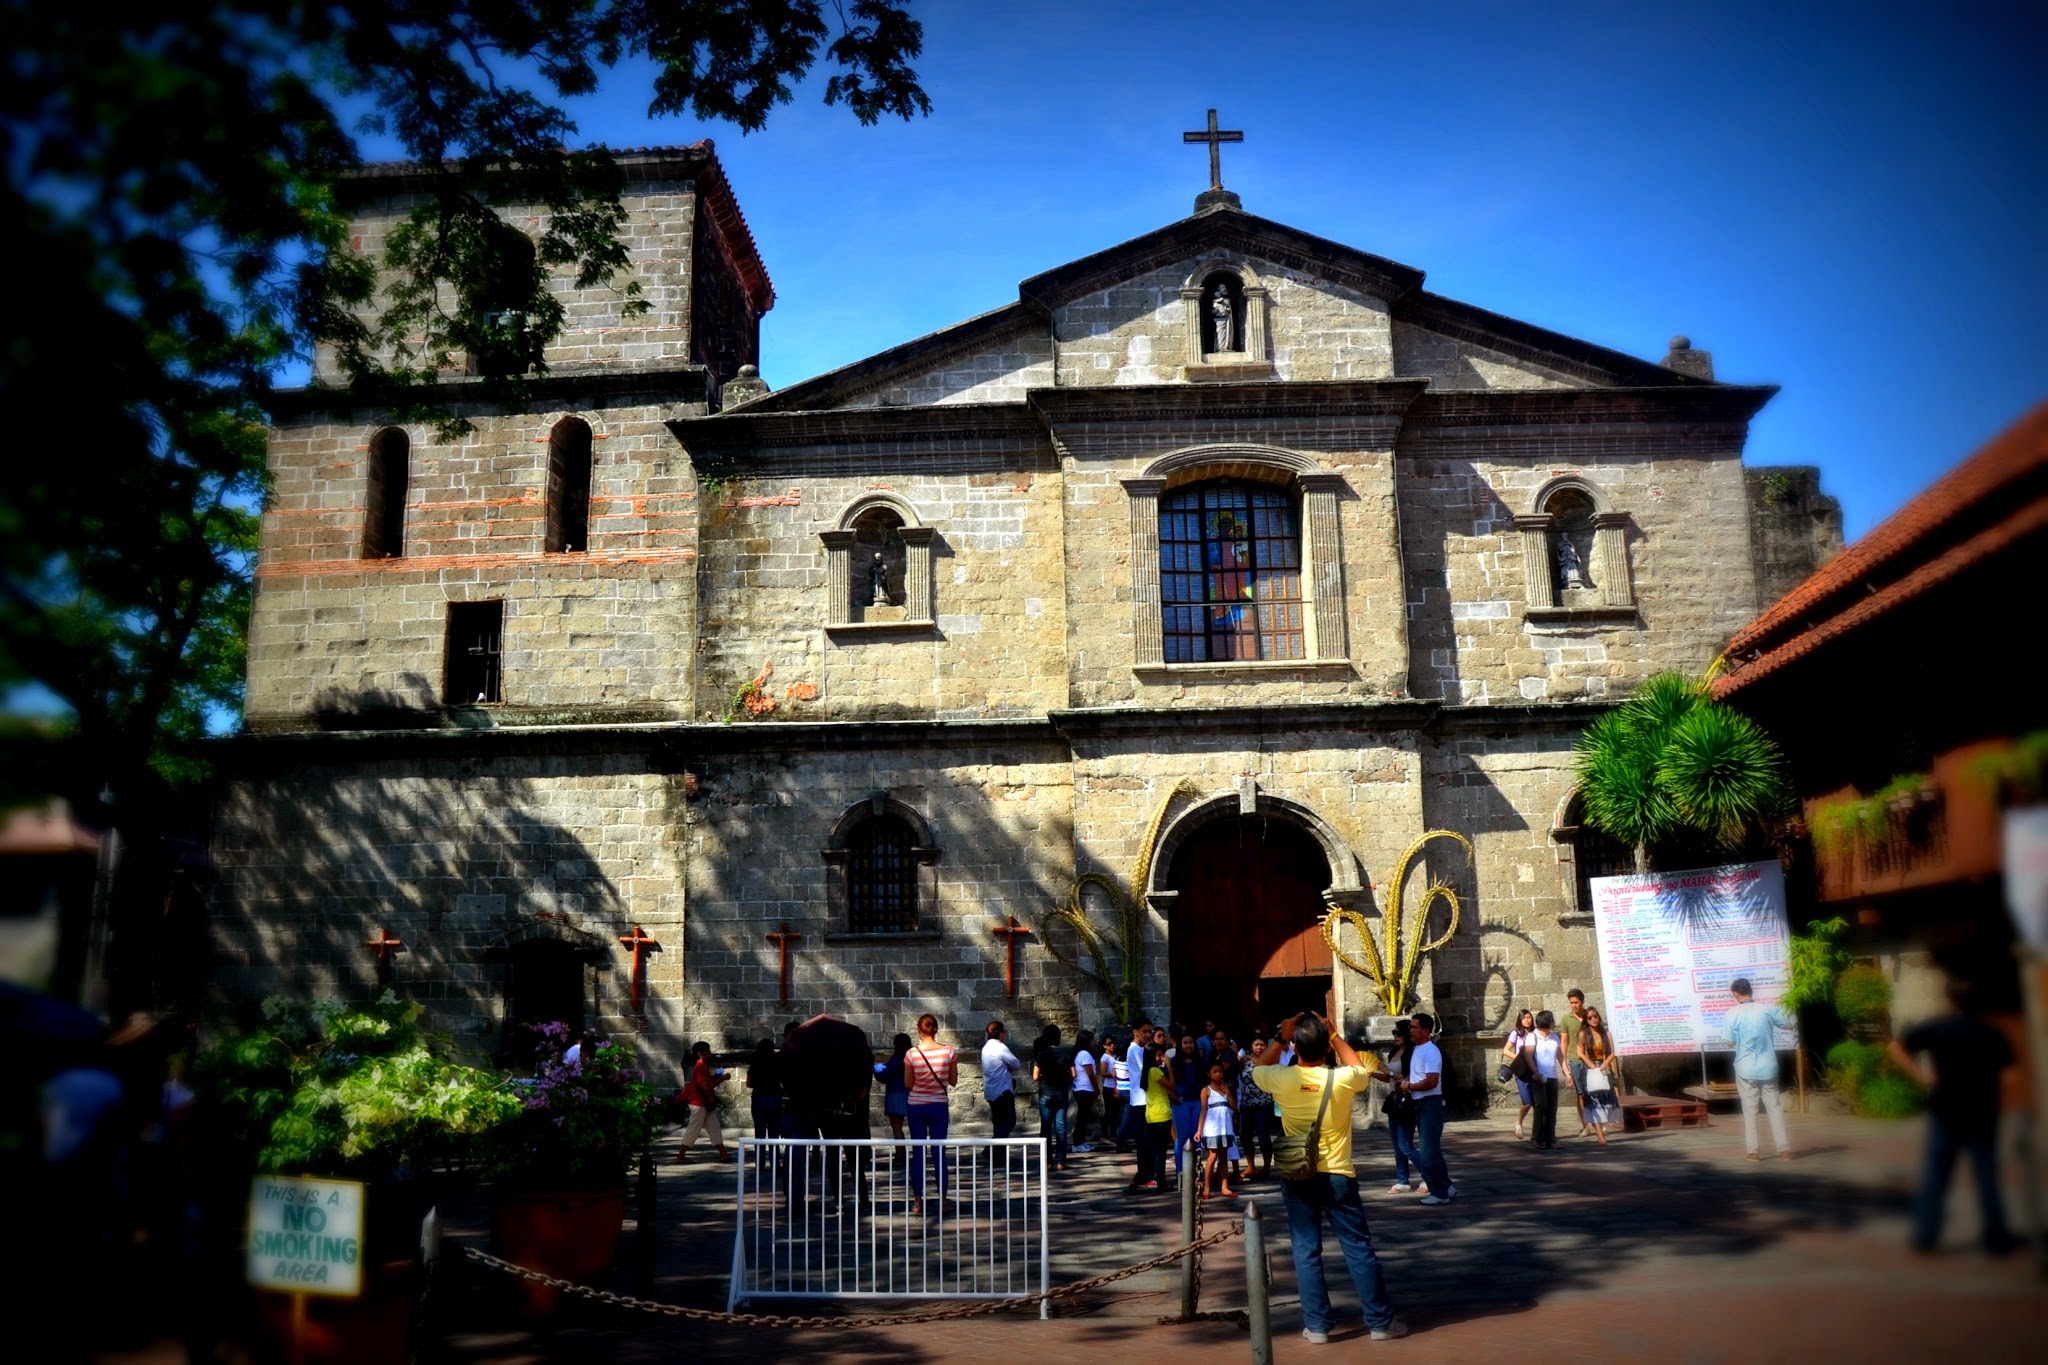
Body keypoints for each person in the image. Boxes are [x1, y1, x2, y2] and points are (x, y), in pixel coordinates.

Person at [1251, 1013, 1407, 1345]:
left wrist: (1282, 1035)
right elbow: (1361, 1069)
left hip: (1297, 1174)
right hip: (1337, 1172)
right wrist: (1335, 1034)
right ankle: (1379, 1322)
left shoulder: (1282, 1078)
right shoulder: (1342, 1080)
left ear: (1295, 1048)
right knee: (1357, 1246)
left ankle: (1318, 1325)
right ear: (1326, 1049)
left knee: (1306, 1250)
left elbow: (1256, 1068)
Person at [1887, 978, 2019, 1255]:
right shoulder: (1990, 1032)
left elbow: (1896, 1048)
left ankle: (1926, 1236)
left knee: (1936, 1174)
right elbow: (2009, 1076)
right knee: (1986, 1176)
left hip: (1945, 1109)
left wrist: (1922, 1078)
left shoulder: (1937, 1028)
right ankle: (1995, 1238)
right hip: (1982, 1111)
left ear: (1950, 1000)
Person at [1723, 978, 1794, 1161]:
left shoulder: (1732, 1013)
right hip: (1768, 1067)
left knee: (1750, 1110)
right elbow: (1788, 1024)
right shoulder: (1767, 1010)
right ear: (1751, 991)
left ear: (1735, 994)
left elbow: (1730, 1041)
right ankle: (1784, 1150)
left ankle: (1753, 1152)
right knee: (1775, 1108)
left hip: (1745, 1068)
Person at [1397, 1012, 1456, 1203]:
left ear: (1426, 1031)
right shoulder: (1417, 1049)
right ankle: (1446, 1186)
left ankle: (1438, 1193)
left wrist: (1410, 1086)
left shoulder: (1431, 1051)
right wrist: (1409, 1080)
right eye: (1411, 1027)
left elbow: (1431, 1081)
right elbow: (1419, 1075)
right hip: (1420, 1103)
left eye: (1414, 1027)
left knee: (1428, 1152)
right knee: (1433, 1150)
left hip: (1430, 1104)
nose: (1411, 1031)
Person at [905, 1013, 957, 1213]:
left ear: (919, 1030)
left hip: (916, 1106)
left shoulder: (911, 1054)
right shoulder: (949, 1052)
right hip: (938, 1105)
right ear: (936, 1029)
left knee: (918, 1153)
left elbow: (909, 1084)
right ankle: (943, 1200)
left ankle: (918, 1201)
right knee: (939, 1152)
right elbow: (952, 1081)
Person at [1126, 1038, 1175, 1192]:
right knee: (1160, 1150)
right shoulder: (1155, 1071)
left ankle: (1153, 1178)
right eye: (1159, 1055)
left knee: (1155, 1149)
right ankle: (1160, 1181)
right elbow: (1171, 1086)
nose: (1162, 1058)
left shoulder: (1147, 1072)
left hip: (1151, 1114)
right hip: (1161, 1113)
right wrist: (1169, 1066)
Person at [674, 1041, 730, 1163]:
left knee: (714, 1127)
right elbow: (706, 1086)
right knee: (694, 1129)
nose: (710, 1054)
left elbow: (707, 1083)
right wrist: (721, 1079)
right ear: (700, 1054)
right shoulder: (700, 1067)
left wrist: (717, 1077)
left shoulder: (702, 1066)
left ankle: (723, 1153)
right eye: (707, 1051)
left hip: (704, 1103)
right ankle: (681, 1154)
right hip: (699, 1103)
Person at [1382, 1018, 1421, 1193]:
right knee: (1397, 1144)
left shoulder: (1412, 1053)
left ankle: (1430, 1176)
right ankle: (1403, 1179)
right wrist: (1373, 1073)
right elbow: (1389, 1078)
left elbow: (1405, 1077)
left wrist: (1385, 1070)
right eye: (1394, 1033)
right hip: (1394, 1099)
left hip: (1407, 1099)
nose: (1396, 1036)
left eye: (1398, 1033)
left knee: (1405, 1144)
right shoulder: (1394, 1052)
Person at [1032, 1024, 1073, 1170]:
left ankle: (1047, 1161)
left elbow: (1035, 1076)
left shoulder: (1042, 1054)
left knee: (1046, 1128)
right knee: (1061, 1128)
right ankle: (1060, 1161)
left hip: (1046, 1093)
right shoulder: (1066, 1053)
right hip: (1061, 1093)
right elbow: (1074, 1074)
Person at [1578, 1008, 1622, 1145]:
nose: (1593, 1020)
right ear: (1586, 1020)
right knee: (1594, 1102)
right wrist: (1591, 1065)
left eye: (1595, 1016)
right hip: (1591, 1070)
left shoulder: (1606, 1033)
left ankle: (1603, 1128)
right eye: (1589, 1018)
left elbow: (1612, 1052)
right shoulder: (1584, 1033)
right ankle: (1600, 1135)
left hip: (1603, 1069)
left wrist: (1605, 1064)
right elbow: (1580, 1052)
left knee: (1606, 1102)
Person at [1526, 1011, 1569, 1150]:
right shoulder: (1533, 1036)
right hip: (1538, 1076)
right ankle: (1537, 1137)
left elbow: (1560, 1056)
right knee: (1541, 1107)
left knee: (1552, 1109)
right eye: (1551, 1020)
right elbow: (1528, 1056)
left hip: (1552, 1076)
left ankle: (1551, 1138)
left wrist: (1567, 1072)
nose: (1554, 1023)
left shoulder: (1554, 1037)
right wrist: (1535, 1072)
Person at [1238, 1032, 1276, 1179]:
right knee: (1244, 1135)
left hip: (1263, 1103)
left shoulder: (1270, 1061)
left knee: (1263, 1135)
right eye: (1256, 1045)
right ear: (1251, 1046)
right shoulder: (1245, 1060)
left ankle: (1266, 1167)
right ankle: (1251, 1166)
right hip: (1246, 1103)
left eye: (1262, 1045)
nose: (1259, 1047)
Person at [1169, 1031, 1206, 1180]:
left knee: (1197, 1139)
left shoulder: (1201, 1062)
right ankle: (1181, 1174)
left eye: (1191, 1042)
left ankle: (1197, 1174)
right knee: (1182, 1139)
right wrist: (1172, 1096)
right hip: (1181, 1103)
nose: (1188, 1045)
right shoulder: (1173, 1063)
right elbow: (1166, 1083)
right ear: (1180, 1045)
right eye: (1185, 1043)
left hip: (1197, 1103)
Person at [1200, 1061, 1238, 1199]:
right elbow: (1203, 1111)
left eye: (1220, 1071)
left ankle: (1224, 1186)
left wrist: (1228, 1092)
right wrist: (1199, 1130)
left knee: (1223, 1157)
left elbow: (1234, 1107)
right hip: (1213, 1128)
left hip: (1225, 1126)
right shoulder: (1206, 1090)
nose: (1218, 1074)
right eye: (1215, 1071)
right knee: (1213, 1155)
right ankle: (1207, 1186)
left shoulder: (1225, 1088)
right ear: (1209, 1074)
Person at [982, 1020, 1023, 1139]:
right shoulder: (1000, 1047)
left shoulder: (986, 1048)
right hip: (1002, 1091)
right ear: (999, 1033)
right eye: (1004, 1032)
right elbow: (1016, 1063)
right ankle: (992, 1148)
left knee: (998, 1123)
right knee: (1010, 1121)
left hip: (991, 1091)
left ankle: (998, 1155)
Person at [1502, 1009, 1537, 1140]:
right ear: (1520, 1020)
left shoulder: (1535, 1033)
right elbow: (1506, 1050)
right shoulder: (1516, 1034)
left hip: (1534, 1070)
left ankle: (1537, 1132)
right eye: (1524, 1018)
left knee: (1537, 1104)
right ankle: (1519, 1122)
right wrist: (1520, 1057)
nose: (1527, 1020)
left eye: (1529, 1017)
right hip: (1522, 1071)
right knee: (1527, 1102)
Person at [1561, 988, 1590, 1136]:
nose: (1574, 1005)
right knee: (1580, 1094)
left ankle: (1600, 1122)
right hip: (1574, 1059)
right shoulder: (1566, 1019)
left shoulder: (1590, 1016)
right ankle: (1585, 1125)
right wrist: (1564, 1063)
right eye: (1571, 1003)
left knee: (1594, 1092)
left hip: (1591, 1060)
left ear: (1582, 1001)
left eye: (1576, 1002)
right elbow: (1564, 1042)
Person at [1121, 1022, 1153, 1152]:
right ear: (1136, 1032)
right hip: (1141, 1097)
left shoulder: (1140, 1049)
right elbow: (1145, 1070)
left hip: (1142, 1096)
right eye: (1144, 1031)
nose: (1148, 1035)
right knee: (1143, 1137)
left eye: (1150, 1031)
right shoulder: (1134, 1049)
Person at [877, 1032, 912, 1144]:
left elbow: (885, 1075)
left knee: (897, 1127)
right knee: (915, 1128)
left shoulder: (896, 1059)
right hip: (910, 1093)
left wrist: (876, 1069)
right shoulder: (911, 1058)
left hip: (895, 1094)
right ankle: (918, 1153)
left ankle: (900, 1155)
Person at [746, 1037, 783, 1139]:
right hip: (774, 1097)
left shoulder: (755, 1062)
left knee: (759, 1131)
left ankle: (760, 1154)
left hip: (758, 1097)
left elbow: (748, 1083)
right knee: (774, 1131)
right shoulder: (777, 1061)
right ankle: (774, 1154)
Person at [1071, 1030, 1099, 1152]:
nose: (1093, 1043)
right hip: (1085, 1089)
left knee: (1084, 1117)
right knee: (1082, 1117)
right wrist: (1097, 1088)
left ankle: (1081, 1141)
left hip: (1080, 1088)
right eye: (1092, 1040)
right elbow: (1091, 1074)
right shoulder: (1085, 1054)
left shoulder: (1079, 1054)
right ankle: (1077, 1143)